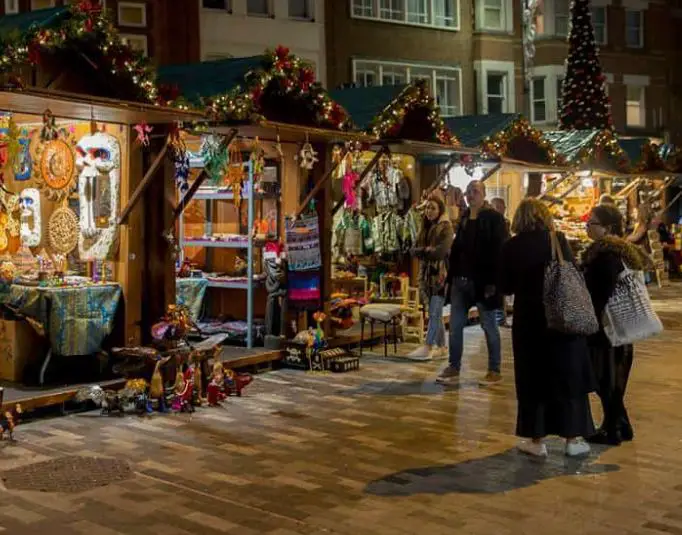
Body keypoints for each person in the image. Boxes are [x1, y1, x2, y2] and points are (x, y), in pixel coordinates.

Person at [500, 199, 595, 457]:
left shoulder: (511, 246)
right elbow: (571, 271)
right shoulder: (557, 239)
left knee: (532, 379)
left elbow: (505, 285)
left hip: (529, 320)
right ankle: (572, 439)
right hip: (560, 316)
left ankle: (536, 439)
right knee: (566, 376)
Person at [583, 204, 649, 445]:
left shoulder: (605, 255)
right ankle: (621, 425)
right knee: (612, 380)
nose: (588, 226)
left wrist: (590, 319)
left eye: (593, 222)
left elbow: (601, 292)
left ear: (607, 228)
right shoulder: (622, 252)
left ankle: (612, 430)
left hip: (606, 326)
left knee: (605, 380)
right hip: (620, 324)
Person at [437, 180, 508, 385]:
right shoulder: (465, 217)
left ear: (484, 194)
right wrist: (450, 277)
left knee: (489, 325)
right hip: (461, 281)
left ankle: (494, 370)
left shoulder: (494, 219)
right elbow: (458, 250)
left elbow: (498, 251)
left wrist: (493, 282)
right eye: (468, 192)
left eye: (475, 191)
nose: (471, 195)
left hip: (482, 282)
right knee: (456, 325)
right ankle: (453, 366)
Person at [408, 192, 454, 361]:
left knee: (434, 311)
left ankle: (428, 346)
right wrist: (425, 251)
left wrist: (426, 252)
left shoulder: (446, 227)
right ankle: (442, 347)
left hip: (440, 275)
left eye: (433, 208)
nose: (429, 211)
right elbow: (413, 250)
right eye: (427, 207)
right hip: (426, 274)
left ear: (440, 209)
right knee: (434, 312)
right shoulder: (425, 227)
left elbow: (440, 252)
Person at [490, 197, 511, 327]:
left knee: (500, 292)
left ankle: (500, 318)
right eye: (497, 207)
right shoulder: (492, 223)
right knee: (497, 292)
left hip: (501, 261)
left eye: (501, 207)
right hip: (495, 262)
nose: (500, 209)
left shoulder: (505, 223)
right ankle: (498, 318)